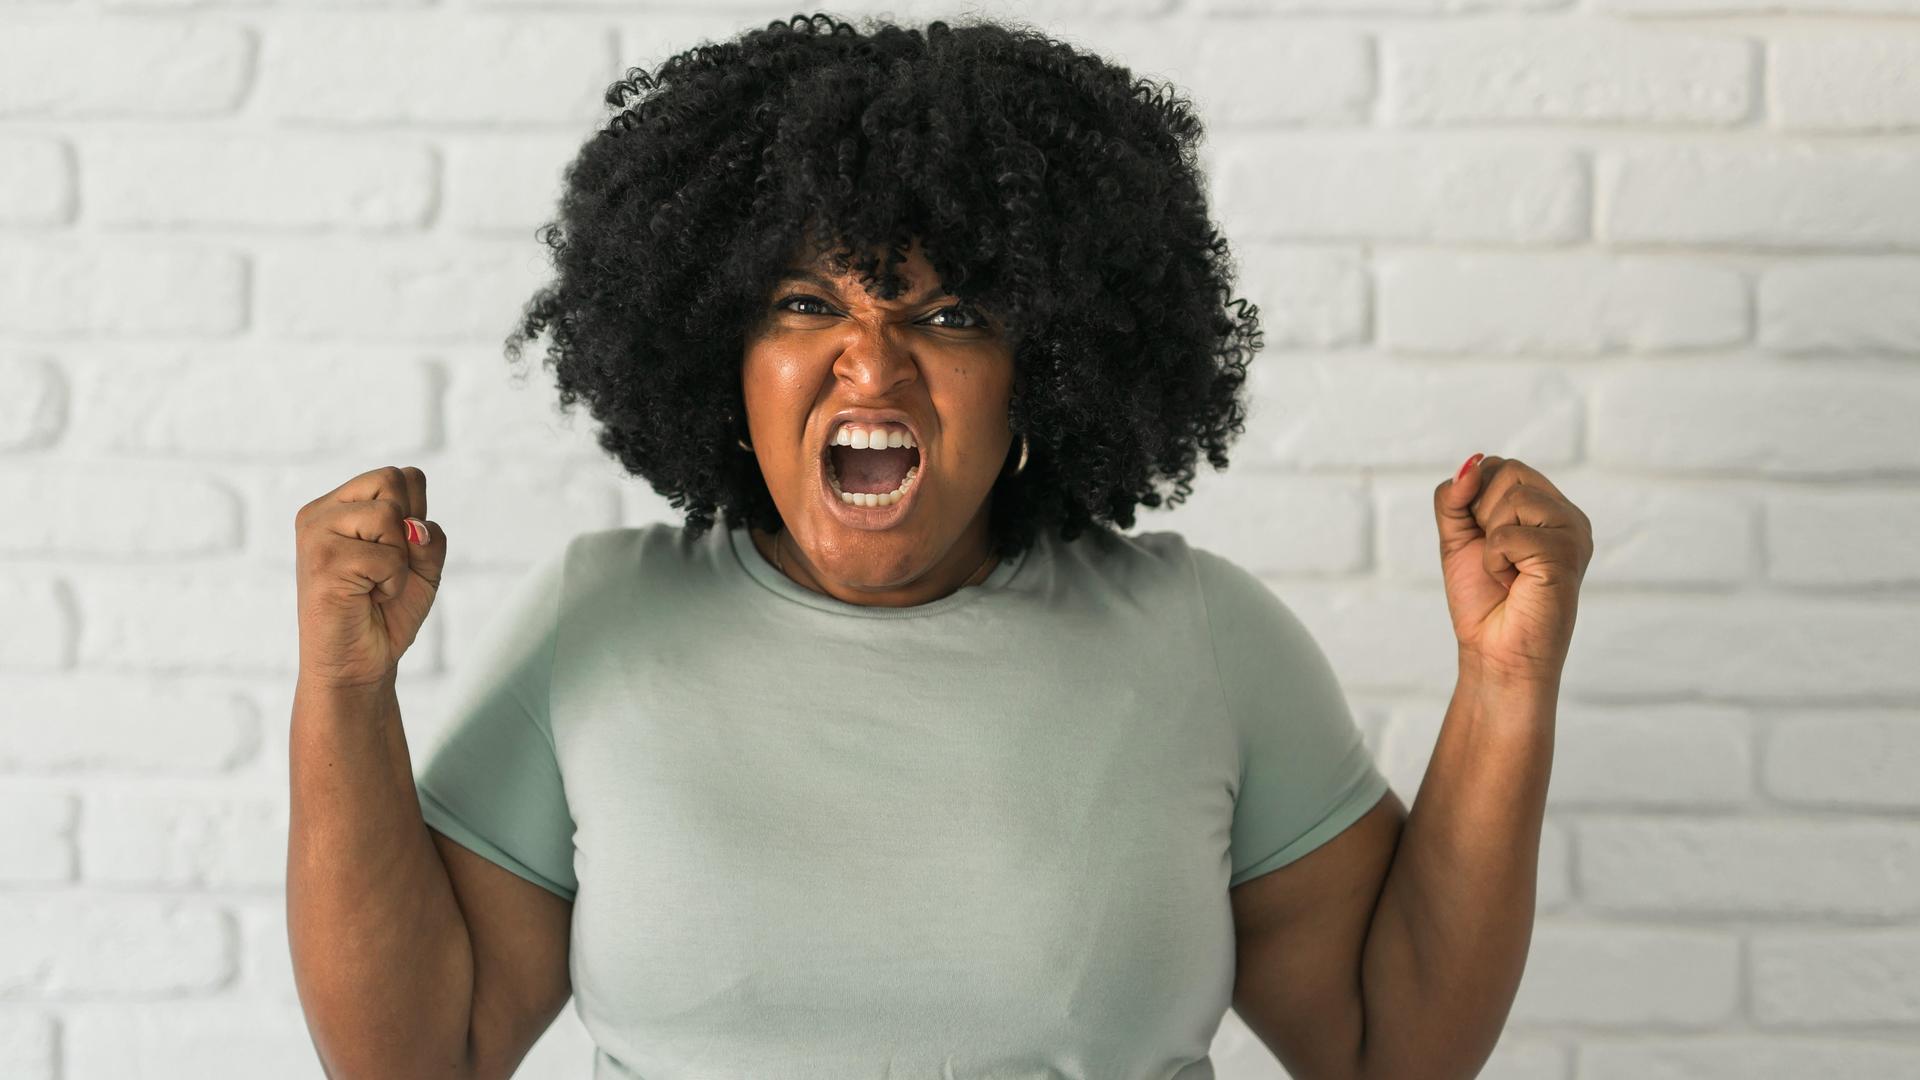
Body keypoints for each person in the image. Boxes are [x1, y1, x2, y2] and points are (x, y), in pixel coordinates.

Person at [287, 12, 1594, 1080]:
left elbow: (1391, 1049)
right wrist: (345, 693)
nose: (874, 360)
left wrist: (1506, 685)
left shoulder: (1201, 638)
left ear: (1048, 371)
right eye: (806, 303)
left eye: (953, 311)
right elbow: (416, 1059)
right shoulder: (599, 625)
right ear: (719, 357)